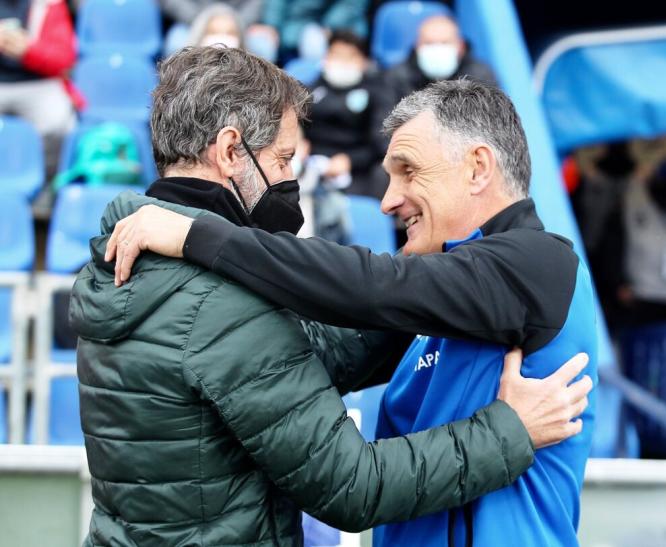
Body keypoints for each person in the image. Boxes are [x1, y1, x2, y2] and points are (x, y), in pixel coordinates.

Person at [71, 47, 591, 546]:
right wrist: (510, 431)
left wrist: (197, 235)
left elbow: (351, 315)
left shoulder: (536, 265)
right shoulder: (214, 299)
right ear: (232, 152)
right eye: (283, 158)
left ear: (478, 168)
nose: (387, 201)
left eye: (408, 172)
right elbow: (353, 483)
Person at [371, 14, 497, 160]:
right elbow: (382, 132)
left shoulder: (480, 75)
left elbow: (492, 128)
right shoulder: (395, 77)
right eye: (429, 43)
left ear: (460, 46)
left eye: (444, 43)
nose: (437, 49)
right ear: (417, 46)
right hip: (411, 163)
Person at [0, 0, 78, 181]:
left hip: (39, 82)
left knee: (58, 121)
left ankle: (47, 183)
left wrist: (29, 50)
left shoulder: (48, 3)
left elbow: (65, 60)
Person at [306, 30, 383, 198]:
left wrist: (350, 160)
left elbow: (379, 142)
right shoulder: (309, 91)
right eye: (337, 55)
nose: (342, 62)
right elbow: (297, 133)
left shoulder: (376, 93)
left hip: (358, 169)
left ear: (363, 61)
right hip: (312, 163)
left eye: (350, 56)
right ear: (326, 57)